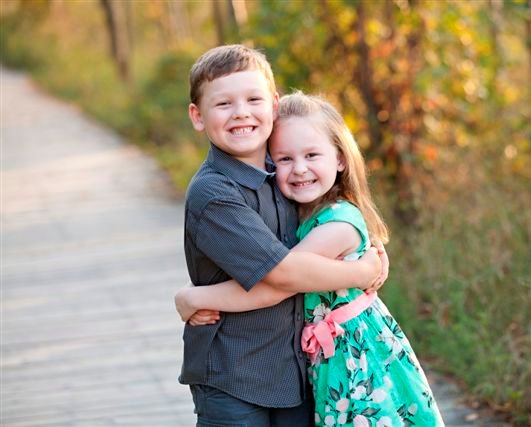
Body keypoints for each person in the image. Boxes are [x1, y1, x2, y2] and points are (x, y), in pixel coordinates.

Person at [176, 91, 445, 426]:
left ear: (340, 159)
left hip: (357, 359)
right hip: (323, 360)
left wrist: (193, 296)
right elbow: (253, 259)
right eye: (284, 159)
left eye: (312, 155)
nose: (299, 169)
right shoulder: (293, 213)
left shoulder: (338, 224)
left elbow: (279, 281)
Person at [181, 45, 387, 427]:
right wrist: (361, 272)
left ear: (273, 106)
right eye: (224, 104)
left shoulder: (284, 176)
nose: (241, 112)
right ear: (198, 116)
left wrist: (362, 246)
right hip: (234, 374)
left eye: (253, 99)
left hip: (295, 371)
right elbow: (285, 274)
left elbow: (333, 221)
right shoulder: (214, 194)